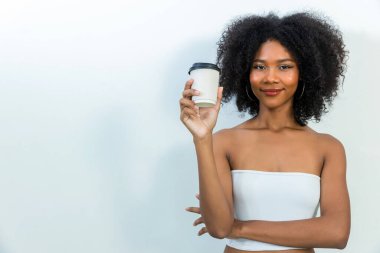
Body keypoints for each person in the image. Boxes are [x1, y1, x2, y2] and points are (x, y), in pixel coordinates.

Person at [179, 11, 351, 253]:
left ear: (304, 73)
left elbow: (336, 233)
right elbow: (218, 228)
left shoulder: (327, 148)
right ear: (245, 73)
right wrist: (202, 138)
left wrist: (237, 227)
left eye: (284, 66)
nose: (271, 78)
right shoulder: (223, 142)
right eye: (259, 66)